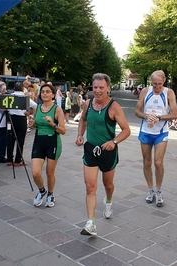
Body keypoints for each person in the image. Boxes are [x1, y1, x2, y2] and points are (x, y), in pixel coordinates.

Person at [76, 73, 131, 236]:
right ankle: (90, 223)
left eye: (101, 87)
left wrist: (113, 142)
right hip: (91, 149)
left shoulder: (114, 107)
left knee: (108, 185)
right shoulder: (87, 104)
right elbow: (83, 120)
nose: (98, 91)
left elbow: (126, 130)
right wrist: (80, 134)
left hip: (108, 151)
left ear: (108, 88)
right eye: (95, 87)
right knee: (90, 186)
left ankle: (108, 202)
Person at [134, 70, 177, 207]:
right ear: (151, 82)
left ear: (164, 82)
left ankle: (159, 190)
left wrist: (159, 118)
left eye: (159, 84)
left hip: (161, 132)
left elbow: (175, 114)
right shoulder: (145, 92)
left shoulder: (169, 93)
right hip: (146, 131)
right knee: (147, 162)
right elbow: (137, 111)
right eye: (154, 84)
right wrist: (146, 116)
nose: (157, 87)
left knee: (158, 162)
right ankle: (151, 189)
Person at [30, 84, 66, 208]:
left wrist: (52, 123)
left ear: (52, 95)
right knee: (35, 173)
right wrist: (32, 124)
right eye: (43, 92)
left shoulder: (57, 110)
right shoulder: (37, 108)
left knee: (50, 173)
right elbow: (35, 124)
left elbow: (63, 130)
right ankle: (41, 190)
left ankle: (50, 194)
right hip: (39, 141)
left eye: (47, 92)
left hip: (53, 142)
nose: (44, 94)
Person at [6, 82, 37, 166]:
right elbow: (35, 106)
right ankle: (18, 160)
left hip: (11, 118)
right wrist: (30, 113)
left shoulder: (10, 96)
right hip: (21, 118)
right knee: (20, 139)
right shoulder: (24, 97)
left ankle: (9, 159)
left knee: (10, 139)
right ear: (22, 89)